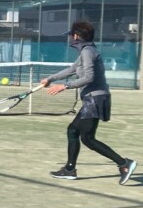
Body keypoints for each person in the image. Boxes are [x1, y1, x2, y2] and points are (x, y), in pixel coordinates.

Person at [42, 20, 135, 185]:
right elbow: (71, 70)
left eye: (71, 35)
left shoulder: (88, 51)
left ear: (76, 36)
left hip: (95, 99)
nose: (70, 38)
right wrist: (50, 79)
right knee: (74, 131)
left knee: (87, 138)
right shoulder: (86, 51)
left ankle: (124, 164)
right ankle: (70, 169)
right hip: (93, 99)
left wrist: (64, 86)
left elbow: (89, 77)